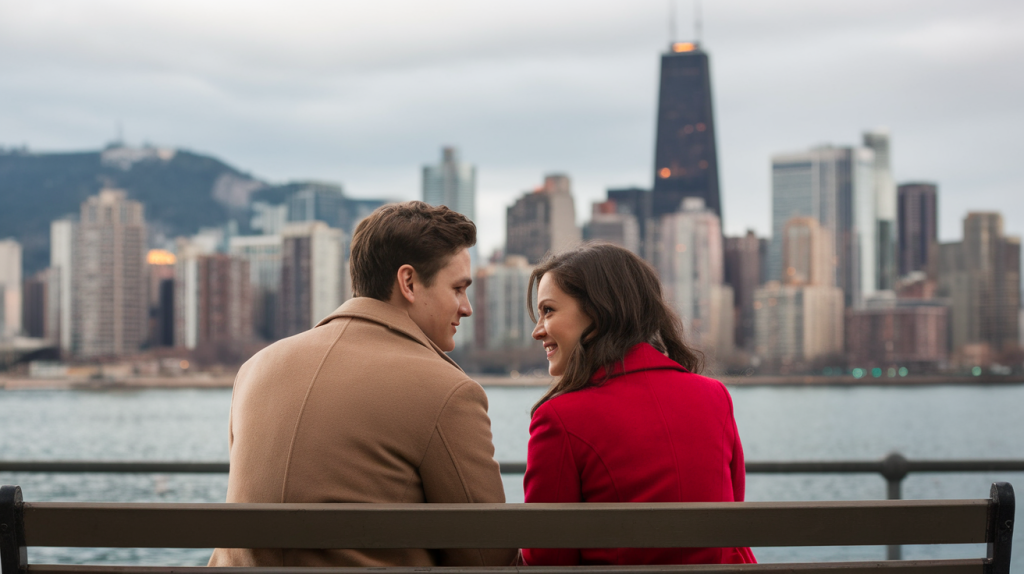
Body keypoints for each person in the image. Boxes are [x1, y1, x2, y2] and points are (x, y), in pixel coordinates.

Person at [209, 201, 515, 568]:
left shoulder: (256, 368)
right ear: (409, 282)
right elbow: (488, 553)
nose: (466, 307)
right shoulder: (446, 390)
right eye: (458, 288)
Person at [522, 242, 756, 566]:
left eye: (548, 310)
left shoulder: (559, 418)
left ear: (598, 312)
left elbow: (547, 557)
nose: (537, 331)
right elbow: (730, 514)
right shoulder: (714, 395)